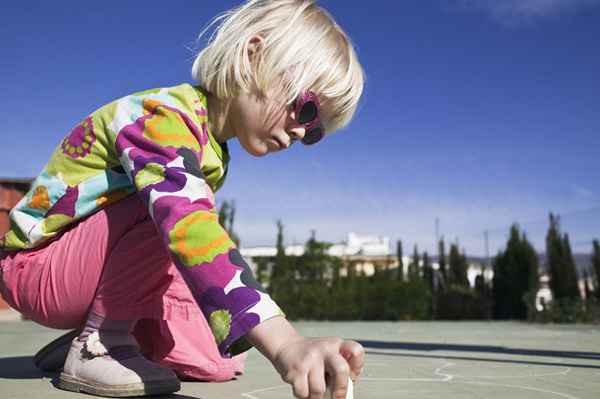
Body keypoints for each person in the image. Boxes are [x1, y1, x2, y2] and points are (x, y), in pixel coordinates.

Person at [0, 0, 365, 398]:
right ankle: (100, 342)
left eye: (314, 133)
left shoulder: (214, 153)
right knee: (169, 204)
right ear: (253, 55)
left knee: (217, 360)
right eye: (306, 109)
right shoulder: (162, 117)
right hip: (36, 268)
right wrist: (285, 343)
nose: (300, 133)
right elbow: (186, 225)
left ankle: (101, 330)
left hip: (87, 272)